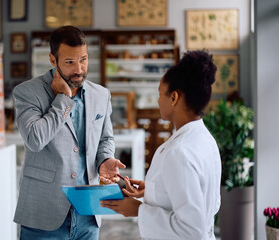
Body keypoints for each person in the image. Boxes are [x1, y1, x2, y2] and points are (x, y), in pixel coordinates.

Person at [13, 25, 125, 240]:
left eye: (83, 59)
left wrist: (104, 160)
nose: (79, 69)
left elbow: (105, 138)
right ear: (53, 60)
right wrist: (62, 100)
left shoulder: (101, 95)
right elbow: (35, 140)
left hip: (88, 213)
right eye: (70, 62)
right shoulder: (27, 92)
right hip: (44, 213)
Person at [101, 50, 222, 240]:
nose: (158, 101)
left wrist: (139, 210)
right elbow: (201, 199)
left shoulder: (180, 152)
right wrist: (152, 189)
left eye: (160, 94)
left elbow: (191, 230)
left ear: (174, 98)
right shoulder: (205, 139)